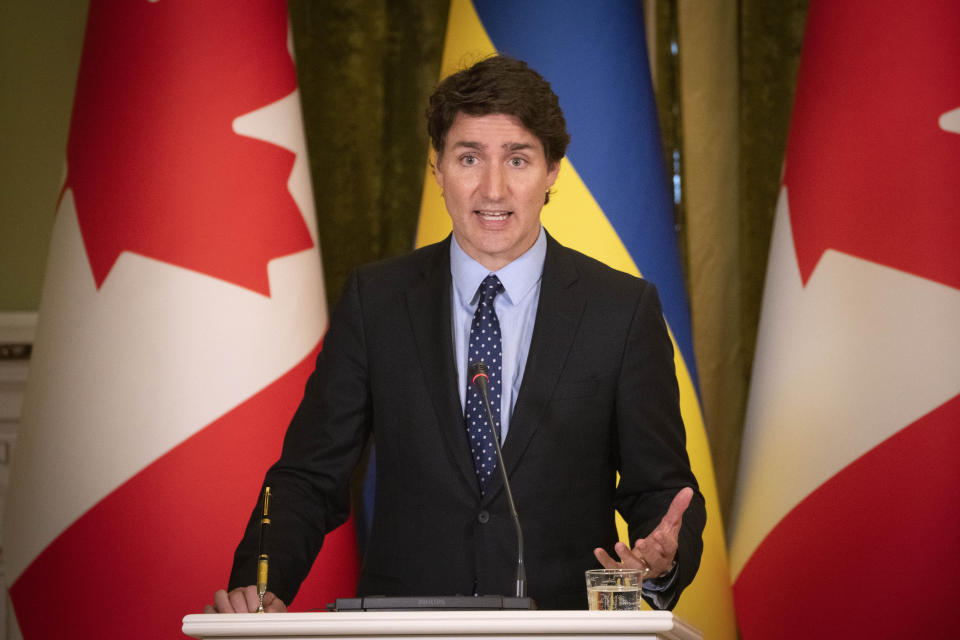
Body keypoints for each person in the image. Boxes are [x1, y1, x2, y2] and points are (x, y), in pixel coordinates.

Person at [206, 55, 705, 614]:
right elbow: (310, 476)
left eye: (518, 159)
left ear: (553, 170)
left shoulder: (621, 311)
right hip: (403, 627)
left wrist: (660, 558)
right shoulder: (378, 302)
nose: (493, 190)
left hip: (562, 625)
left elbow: (659, 490)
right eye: (470, 158)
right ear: (437, 168)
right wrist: (260, 583)